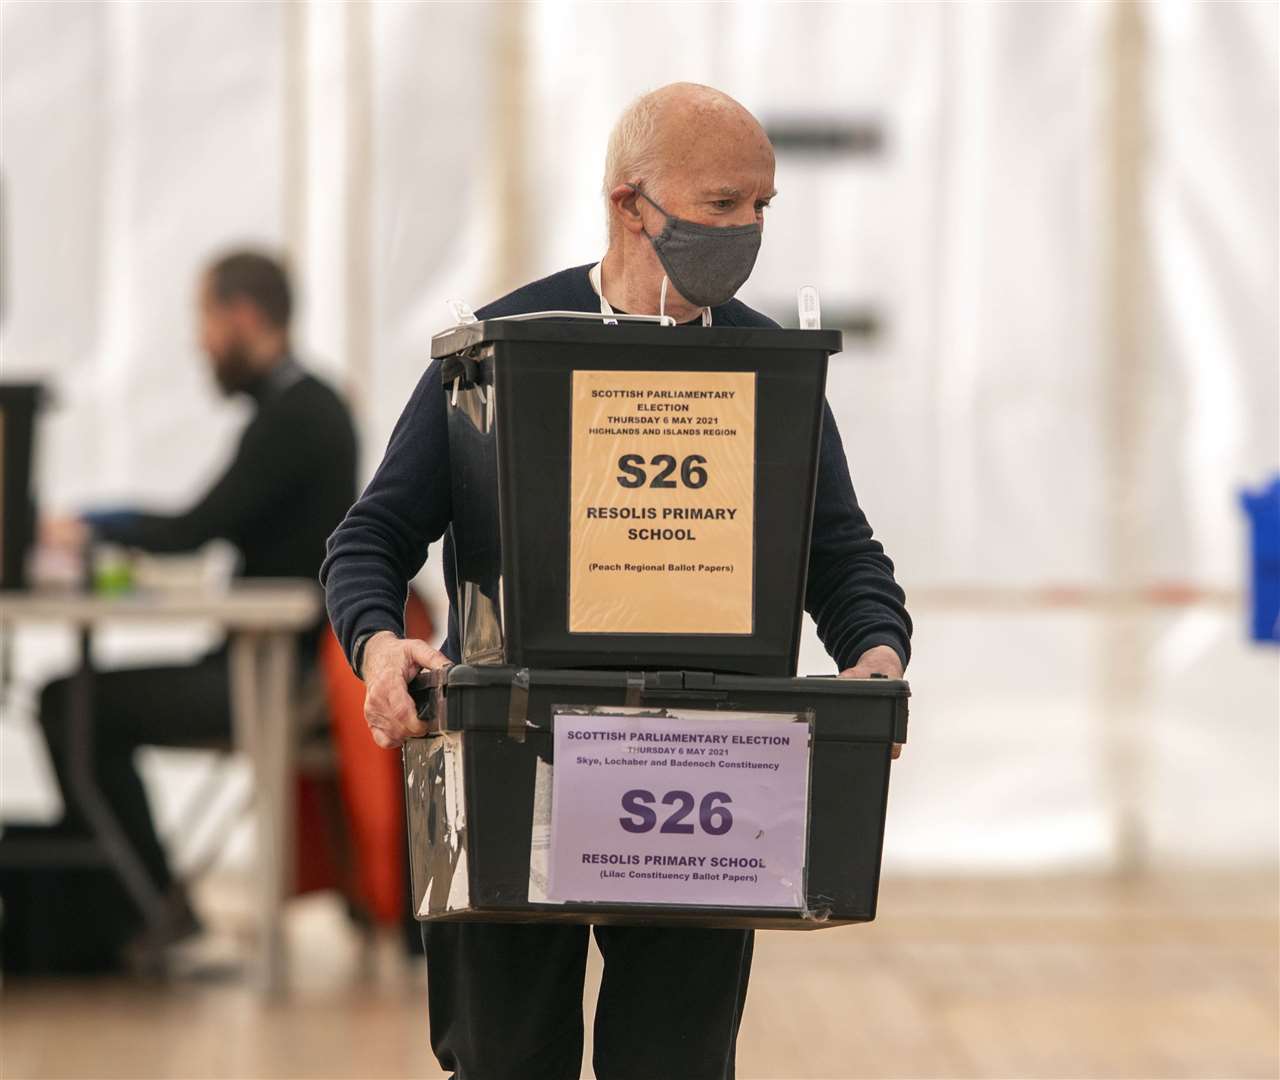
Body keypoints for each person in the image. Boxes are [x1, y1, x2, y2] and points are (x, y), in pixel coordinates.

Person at [321, 83, 911, 1080]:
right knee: (505, 1059)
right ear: (627, 202)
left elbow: (843, 558)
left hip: (704, 768)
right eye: (722, 205)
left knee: (673, 1061)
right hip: (512, 760)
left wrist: (874, 661)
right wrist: (382, 647)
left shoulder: (768, 368)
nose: (747, 229)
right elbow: (370, 539)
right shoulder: (494, 354)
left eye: (762, 207)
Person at [35, 250, 358, 958]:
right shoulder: (302, 406)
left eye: (205, 320)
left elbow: (192, 529)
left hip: (274, 678)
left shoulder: (298, 414)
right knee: (70, 700)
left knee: (67, 704)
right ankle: (147, 900)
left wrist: (85, 525)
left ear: (243, 317)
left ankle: (143, 906)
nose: (199, 341)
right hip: (266, 663)